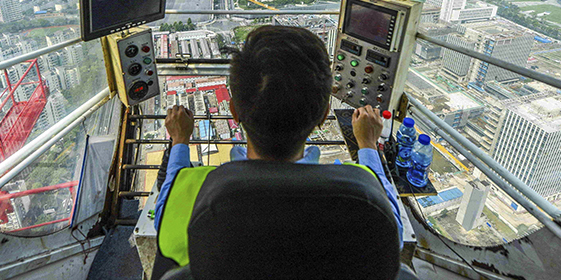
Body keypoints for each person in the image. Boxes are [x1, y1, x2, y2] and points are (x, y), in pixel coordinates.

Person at [152, 25, 403, 268]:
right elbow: (395, 234)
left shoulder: (198, 193)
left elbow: (163, 217)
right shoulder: (361, 198)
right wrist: (368, 145)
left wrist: (179, 141)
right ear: (323, 114)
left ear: (234, 112)